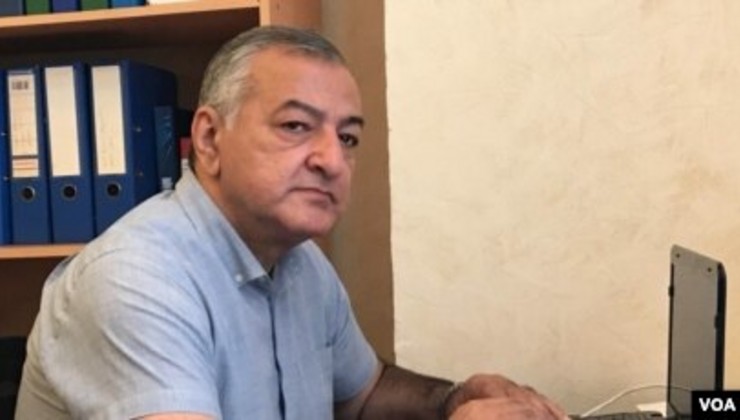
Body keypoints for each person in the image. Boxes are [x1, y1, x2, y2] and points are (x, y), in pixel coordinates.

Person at [15, 26, 567, 419]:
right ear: (208, 138)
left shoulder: (301, 263)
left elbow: (364, 394)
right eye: (297, 126)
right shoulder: (133, 279)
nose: (332, 159)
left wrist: (455, 399)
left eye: (347, 137)